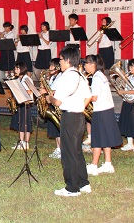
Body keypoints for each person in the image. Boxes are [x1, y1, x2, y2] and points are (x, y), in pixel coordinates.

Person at [49, 46, 92, 197]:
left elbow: (58, 102)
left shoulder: (66, 76)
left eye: (60, 59)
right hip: (79, 116)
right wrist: (79, 106)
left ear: (67, 60)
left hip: (70, 117)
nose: (59, 62)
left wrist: (49, 98)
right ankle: (83, 182)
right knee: (77, 151)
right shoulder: (81, 75)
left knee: (68, 154)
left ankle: (72, 188)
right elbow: (88, 97)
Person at [83, 55, 122, 176]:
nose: (85, 66)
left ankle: (94, 165)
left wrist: (85, 93)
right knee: (105, 138)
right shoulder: (102, 75)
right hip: (107, 109)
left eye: (86, 63)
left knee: (98, 139)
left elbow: (94, 97)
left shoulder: (96, 78)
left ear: (92, 64)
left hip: (101, 111)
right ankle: (108, 163)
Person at [41, 58, 62, 159]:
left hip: (57, 104)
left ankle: (61, 149)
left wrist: (45, 91)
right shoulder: (54, 77)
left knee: (59, 128)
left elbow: (53, 90)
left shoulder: (60, 77)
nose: (49, 68)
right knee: (55, 129)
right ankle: (58, 148)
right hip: (52, 104)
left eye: (51, 66)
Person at [10, 61, 33, 150]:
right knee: (21, 123)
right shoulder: (19, 78)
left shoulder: (27, 78)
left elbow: (30, 91)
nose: (15, 70)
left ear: (22, 69)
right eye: (15, 68)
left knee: (26, 123)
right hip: (20, 103)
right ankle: (21, 141)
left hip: (26, 103)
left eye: (17, 68)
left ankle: (26, 142)